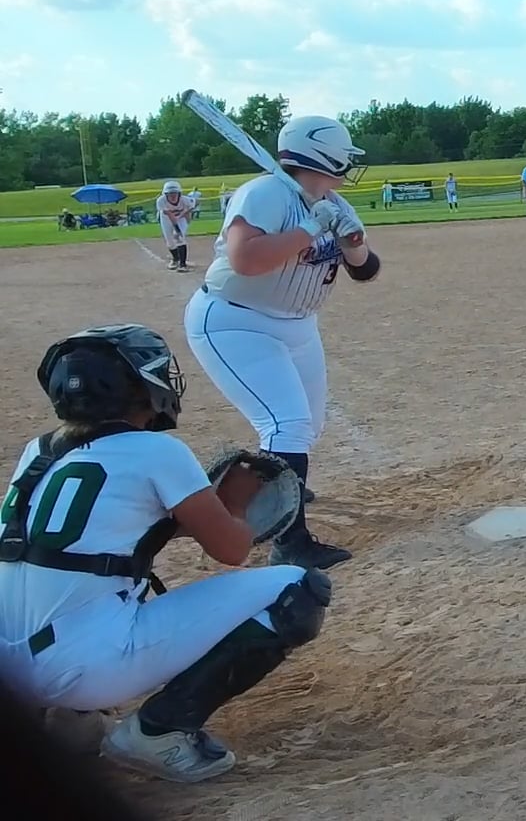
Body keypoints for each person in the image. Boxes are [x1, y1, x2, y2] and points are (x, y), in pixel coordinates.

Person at [0, 324, 333, 784]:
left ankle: (58, 722)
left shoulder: (38, 452)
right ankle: (159, 732)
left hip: (12, 677)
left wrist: (197, 510)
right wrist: (234, 504)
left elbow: (96, 537)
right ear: (141, 389)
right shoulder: (157, 451)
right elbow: (232, 549)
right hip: (82, 667)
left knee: (65, 587)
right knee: (298, 588)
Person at [183, 114, 378, 571]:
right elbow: (246, 260)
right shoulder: (265, 194)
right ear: (323, 155)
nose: (349, 163)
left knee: (307, 426)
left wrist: (351, 241)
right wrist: (309, 229)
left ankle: (272, 490)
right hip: (236, 322)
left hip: (297, 325)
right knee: (287, 424)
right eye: (344, 155)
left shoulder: (332, 203)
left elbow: (366, 271)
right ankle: (290, 542)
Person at [156, 181, 193, 272]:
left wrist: (186, 219)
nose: (173, 196)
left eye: (175, 193)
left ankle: (182, 265)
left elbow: (192, 206)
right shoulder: (161, 201)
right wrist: (176, 227)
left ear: (179, 193)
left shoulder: (185, 200)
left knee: (178, 237)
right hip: (166, 218)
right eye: (170, 194)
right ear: (165, 194)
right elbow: (170, 215)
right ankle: (175, 259)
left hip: (181, 218)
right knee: (170, 241)